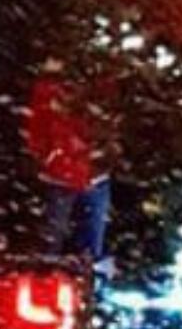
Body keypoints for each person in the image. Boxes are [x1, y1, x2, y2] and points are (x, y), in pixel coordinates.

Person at [23, 57, 114, 263]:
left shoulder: (54, 93)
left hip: (75, 172)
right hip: (70, 172)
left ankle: (66, 271)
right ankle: (74, 272)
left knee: (60, 235)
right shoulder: (54, 93)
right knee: (74, 234)